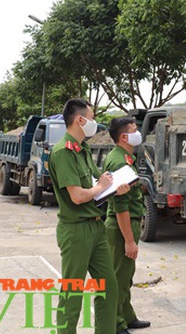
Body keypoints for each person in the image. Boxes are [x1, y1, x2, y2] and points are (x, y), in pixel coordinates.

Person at [48, 98, 131, 334]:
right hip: (75, 230)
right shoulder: (63, 152)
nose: (95, 123)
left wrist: (117, 187)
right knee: (72, 293)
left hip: (96, 227)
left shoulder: (82, 149)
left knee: (109, 287)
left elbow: (98, 186)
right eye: (92, 118)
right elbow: (77, 196)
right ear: (80, 120)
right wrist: (100, 187)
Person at [104, 117, 150, 331]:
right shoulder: (120, 161)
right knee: (118, 279)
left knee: (126, 276)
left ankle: (127, 316)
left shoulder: (125, 157)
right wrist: (129, 241)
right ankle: (115, 323)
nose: (138, 132)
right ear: (124, 136)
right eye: (134, 129)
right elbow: (120, 205)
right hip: (122, 226)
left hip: (127, 223)